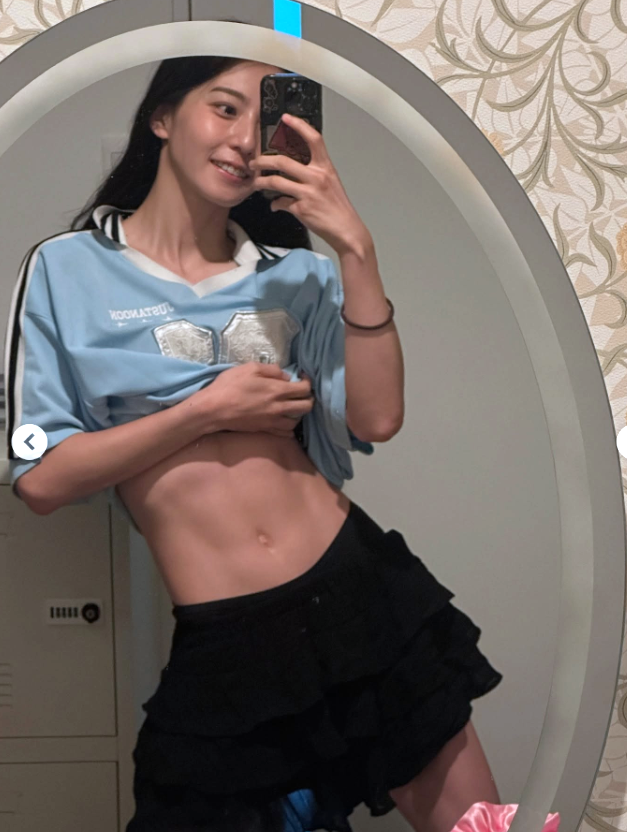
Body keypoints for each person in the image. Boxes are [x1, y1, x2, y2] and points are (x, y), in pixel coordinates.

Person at [4, 54, 503, 832]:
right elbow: (40, 481)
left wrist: (354, 250)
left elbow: (376, 418)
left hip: (358, 595)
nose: (244, 139)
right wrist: (203, 412)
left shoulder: (297, 275)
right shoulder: (66, 270)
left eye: (263, 120)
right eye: (224, 107)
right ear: (162, 116)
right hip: (226, 636)